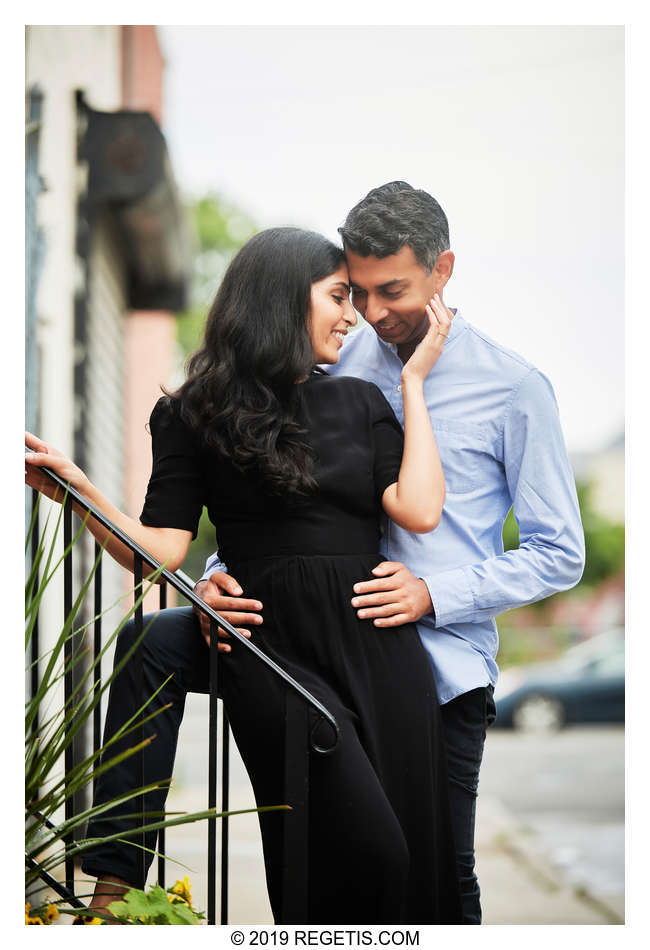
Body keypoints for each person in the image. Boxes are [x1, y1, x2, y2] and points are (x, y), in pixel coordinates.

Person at [25, 227, 463, 924]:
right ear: (284, 299)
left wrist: (413, 382)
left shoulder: (361, 403)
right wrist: (81, 493)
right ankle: (112, 890)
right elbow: (157, 552)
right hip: (268, 652)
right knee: (151, 643)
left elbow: (420, 510)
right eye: (338, 296)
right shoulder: (190, 413)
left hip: (374, 653)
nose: (351, 315)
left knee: (399, 867)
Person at [198, 183, 586, 924]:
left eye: (395, 290)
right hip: (322, 666)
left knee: (440, 880)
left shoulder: (514, 389)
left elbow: (558, 552)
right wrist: (217, 580)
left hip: (441, 676)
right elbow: (266, 500)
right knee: (325, 879)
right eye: (360, 290)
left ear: (443, 271)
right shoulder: (330, 365)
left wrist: (435, 594)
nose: (373, 313)